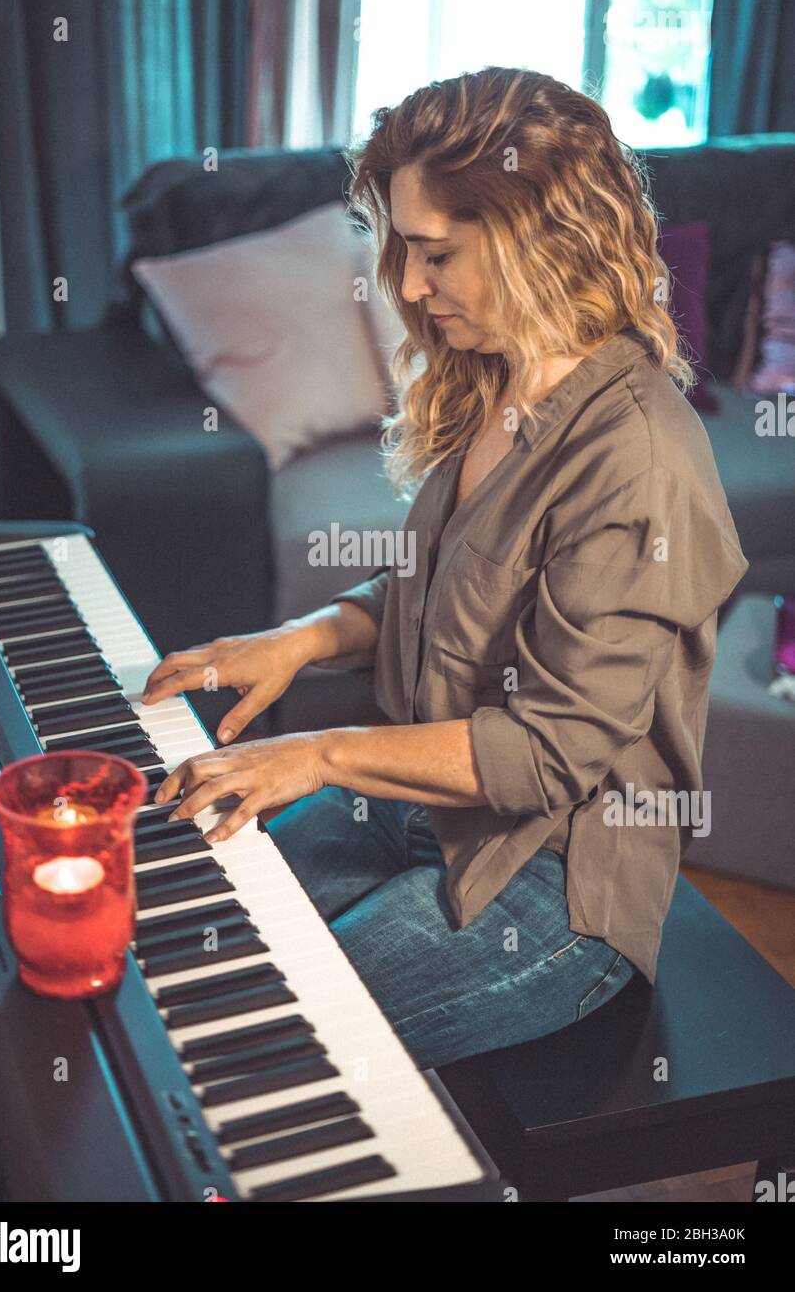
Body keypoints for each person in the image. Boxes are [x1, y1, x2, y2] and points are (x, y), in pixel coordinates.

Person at [141, 67, 749, 1072]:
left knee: (253, 1044)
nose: (409, 287)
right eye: (403, 250)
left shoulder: (633, 455)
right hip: (430, 811)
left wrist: (323, 753)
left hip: (552, 888)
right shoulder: (494, 383)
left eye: (435, 254)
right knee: (188, 919)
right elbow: (432, 592)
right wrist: (298, 641)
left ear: (536, 236)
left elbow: (549, 752)